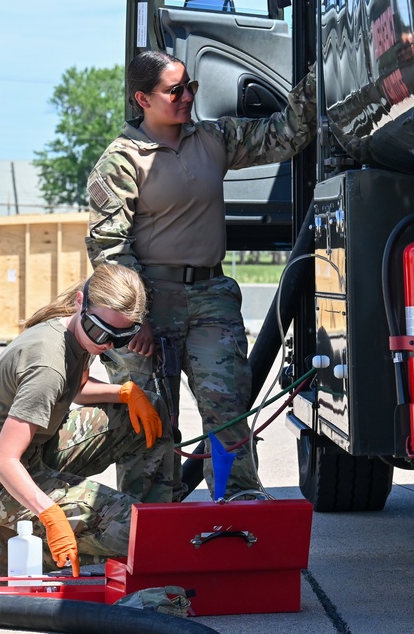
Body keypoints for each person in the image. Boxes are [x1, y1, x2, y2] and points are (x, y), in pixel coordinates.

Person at [85, 50, 317, 500]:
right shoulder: (122, 161)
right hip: (149, 300)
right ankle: (147, 519)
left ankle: (238, 501)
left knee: (227, 406)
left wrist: (320, 76)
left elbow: (284, 135)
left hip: (211, 295)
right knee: (150, 416)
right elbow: (109, 248)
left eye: (190, 86)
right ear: (143, 99)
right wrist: (137, 319)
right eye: (175, 90)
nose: (188, 96)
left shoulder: (214, 139)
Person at [0, 263, 172, 577]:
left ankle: (147, 516)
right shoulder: (47, 365)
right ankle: (6, 544)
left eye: (120, 339)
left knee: (145, 413)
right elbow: (4, 461)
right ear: (81, 302)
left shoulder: (78, 333)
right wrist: (50, 515)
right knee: (138, 534)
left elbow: (78, 388)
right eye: (101, 332)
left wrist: (126, 392)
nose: (107, 344)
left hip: (34, 453)